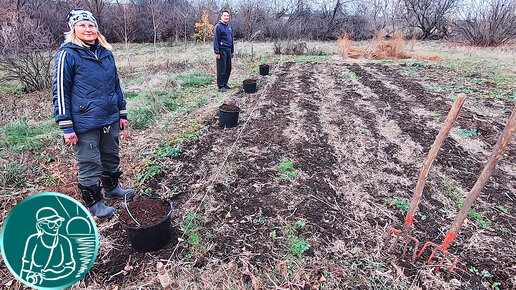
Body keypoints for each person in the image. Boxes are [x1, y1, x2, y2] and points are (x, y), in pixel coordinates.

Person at [52, 8, 134, 217]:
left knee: (110, 155)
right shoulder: (67, 55)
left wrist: (121, 113)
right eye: (82, 25)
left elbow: (115, 84)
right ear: (73, 29)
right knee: (89, 162)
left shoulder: (106, 53)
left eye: (91, 25)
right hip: (84, 121)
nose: (88, 29)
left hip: (109, 117)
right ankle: (94, 203)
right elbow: (61, 92)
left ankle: (112, 189)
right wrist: (66, 125)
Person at [20, 207, 75, 286]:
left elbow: (70, 267)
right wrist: (25, 282)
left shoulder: (64, 242)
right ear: (40, 225)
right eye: (51, 224)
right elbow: (26, 265)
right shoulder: (33, 240)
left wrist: (55, 275)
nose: (56, 226)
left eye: (58, 222)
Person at [213, 10, 234, 92]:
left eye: (227, 16)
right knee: (221, 68)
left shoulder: (229, 27)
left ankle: (225, 84)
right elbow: (216, 40)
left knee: (228, 68)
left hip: (228, 50)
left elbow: (231, 40)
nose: (226, 17)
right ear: (221, 17)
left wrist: (232, 51)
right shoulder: (218, 27)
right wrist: (217, 52)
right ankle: (221, 86)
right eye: (225, 16)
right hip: (221, 50)